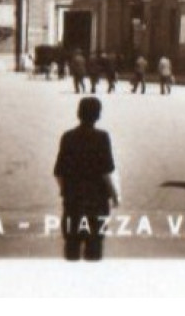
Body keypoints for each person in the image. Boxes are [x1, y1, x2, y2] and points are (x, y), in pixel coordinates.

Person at [53, 96, 119, 262]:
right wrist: (114, 195)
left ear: (78, 113)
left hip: (73, 200)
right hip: (96, 201)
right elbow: (106, 172)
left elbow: (58, 172)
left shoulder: (67, 137)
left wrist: (64, 190)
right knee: (94, 245)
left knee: (72, 244)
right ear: (98, 115)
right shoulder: (102, 137)